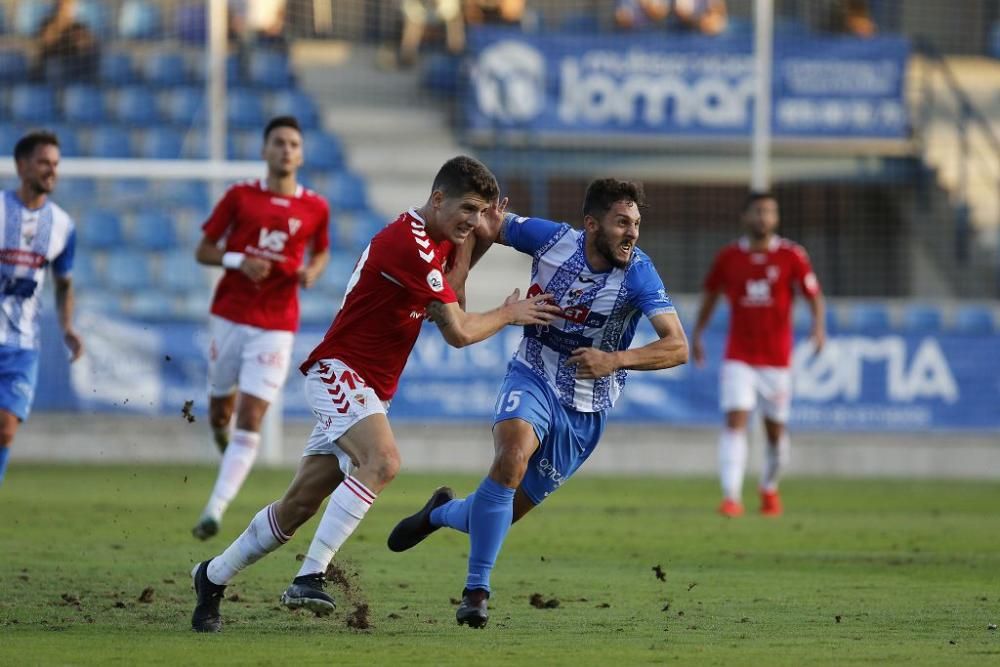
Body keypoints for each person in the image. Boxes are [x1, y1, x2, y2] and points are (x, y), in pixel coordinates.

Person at [189, 155, 561, 632]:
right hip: (338, 373)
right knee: (383, 461)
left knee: (298, 505)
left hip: (367, 388)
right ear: (438, 198)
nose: (471, 220)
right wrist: (512, 312)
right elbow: (459, 332)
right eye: (466, 209)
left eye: (481, 211)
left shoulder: (438, 241)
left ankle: (212, 576)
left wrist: (476, 241)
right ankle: (310, 575)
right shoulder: (410, 245)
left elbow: (453, 296)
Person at [387, 178, 689, 629]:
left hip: (586, 410)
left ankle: (441, 512)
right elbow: (481, 225)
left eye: (637, 224)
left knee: (496, 513)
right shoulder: (550, 239)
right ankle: (476, 591)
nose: (632, 233)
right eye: (622, 222)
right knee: (510, 458)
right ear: (591, 224)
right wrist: (460, 277)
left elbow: (678, 346)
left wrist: (615, 359)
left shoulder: (639, 273)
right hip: (534, 372)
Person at [190, 116, 330, 541]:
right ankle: (224, 441)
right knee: (221, 413)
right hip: (230, 315)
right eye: (278, 143)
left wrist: (313, 272)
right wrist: (238, 259)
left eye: (293, 143)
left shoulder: (316, 207)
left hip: (277, 323)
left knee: (251, 416)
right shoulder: (239, 196)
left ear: (301, 154)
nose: (286, 150)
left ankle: (215, 509)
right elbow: (204, 250)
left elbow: (321, 252)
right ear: (265, 150)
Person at [690, 192, 825, 518]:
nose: (763, 217)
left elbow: (814, 295)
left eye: (769, 212)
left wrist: (819, 327)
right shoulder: (728, 257)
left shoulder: (792, 255)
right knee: (735, 421)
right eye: (757, 211)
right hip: (739, 356)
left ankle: (769, 487)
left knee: (775, 433)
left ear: (776, 219)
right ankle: (731, 497)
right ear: (745, 217)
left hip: (777, 360)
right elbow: (711, 294)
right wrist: (697, 332)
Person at [0, 131, 84, 486]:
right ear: (22, 166)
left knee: (5, 430)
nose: (51, 171)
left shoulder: (63, 226)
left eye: (55, 164)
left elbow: (64, 283)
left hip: (22, 346)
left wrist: (67, 327)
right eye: (43, 163)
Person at [36, 0, 99, 82]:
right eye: (67, 5)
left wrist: (82, 43)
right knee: (55, 67)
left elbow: (89, 44)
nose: (71, 9)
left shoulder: (78, 26)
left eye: (72, 6)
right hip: (53, 65)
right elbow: (48, 43)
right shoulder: (48, 22)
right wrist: (63, 26)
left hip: (75, 65)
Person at [399, 0, 466, 67]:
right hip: (420, 9)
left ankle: (456, 53)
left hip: (442, 8)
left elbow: (451, 10)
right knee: (413, 25)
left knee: (454, 21)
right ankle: (407, 55)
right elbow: (411, 10)